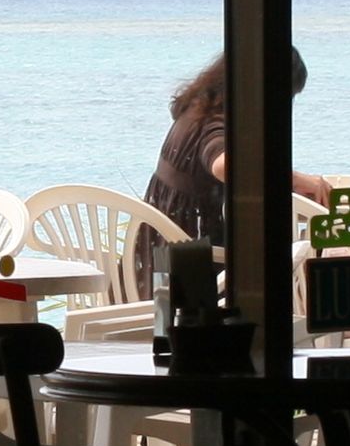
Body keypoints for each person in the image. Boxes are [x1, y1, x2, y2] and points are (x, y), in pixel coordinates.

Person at [142, 49, 333, 288]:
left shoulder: (198, 109)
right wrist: (295, 179)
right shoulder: (217, 122)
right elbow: (224, 166)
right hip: (193, 273)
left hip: (155, 258)